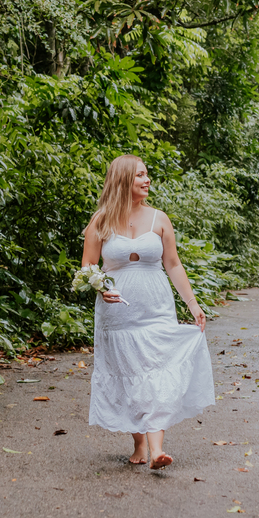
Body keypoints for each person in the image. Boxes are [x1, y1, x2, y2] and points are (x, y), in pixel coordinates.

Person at [80, 154, 215, 470]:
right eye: (140, 175)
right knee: (130, 376)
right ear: (123, 179)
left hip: (157, 308)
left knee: (156, 371)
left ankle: (157, 449)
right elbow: (88, 266)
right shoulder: (101, 221)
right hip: (118, 315)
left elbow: (173, 264)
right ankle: (139, 442)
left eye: (147, 174)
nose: (147, 179)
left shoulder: (159, 219)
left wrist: (193, 304)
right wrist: (101, 288)